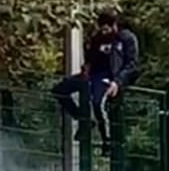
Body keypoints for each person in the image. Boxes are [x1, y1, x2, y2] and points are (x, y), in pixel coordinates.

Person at [52, 9, 140, 155]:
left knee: (98, 103)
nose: (104, 33)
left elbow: (132, 64)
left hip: (110, 78)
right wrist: (86, 69)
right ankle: (83, 119)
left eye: (106, 29)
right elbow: (90, 57)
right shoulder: (97, 38)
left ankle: (107, 141)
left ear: (114, 26)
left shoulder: (126, 38)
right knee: (60, 90)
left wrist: (118, 82)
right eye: (102, 29)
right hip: (92, 76)